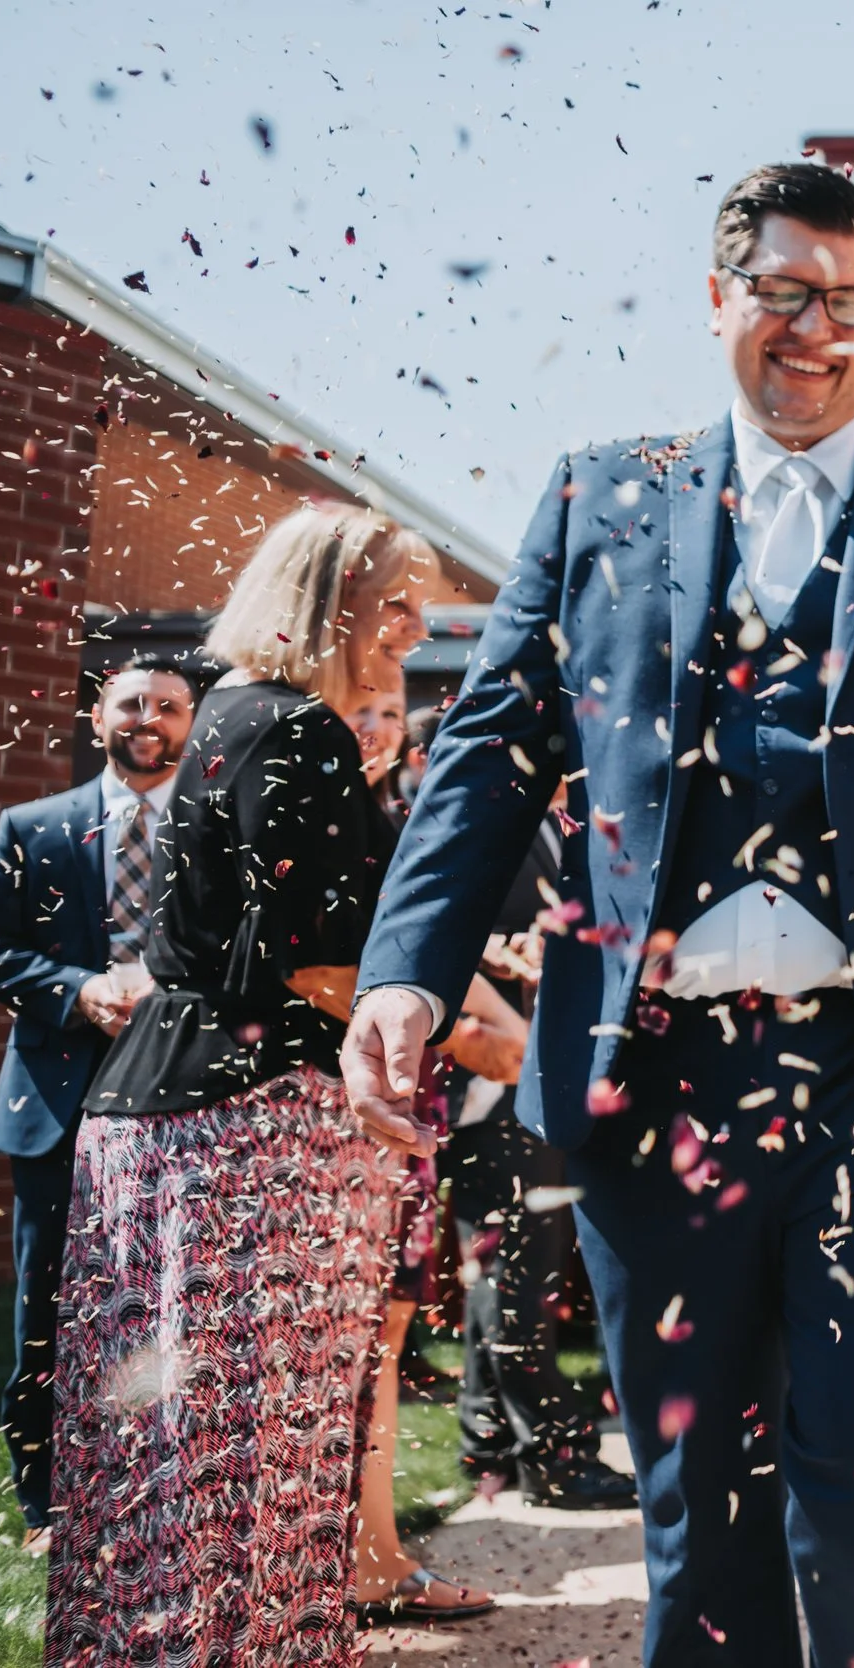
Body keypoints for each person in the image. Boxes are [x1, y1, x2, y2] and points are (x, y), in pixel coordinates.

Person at [342, 162, 854, 1668]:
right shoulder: (594, 497)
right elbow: (494, 752)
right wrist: (407, 974)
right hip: (663, 1084)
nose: (810, 329)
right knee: (699, 1500)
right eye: (779, 292)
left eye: (844, 301)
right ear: (721, 302)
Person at [47, 504, 458, 1662]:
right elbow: (326, 964)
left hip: (164, 1124)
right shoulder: (300, 731)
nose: (416, 629)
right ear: (328, 600)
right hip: (253, 1135)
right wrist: (461, 1027)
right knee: (249, 1452)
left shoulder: (227, 713)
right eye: (395, 603)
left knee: (155, 1458)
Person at [394, 710, 637, 1508]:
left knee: (508, 1266)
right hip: (484, 1073)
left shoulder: (528, 823)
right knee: (516, 1270)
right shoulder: (440, 828)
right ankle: (555, 1459)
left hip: (524, 1071)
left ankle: (485, 1439)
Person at [0, 651, 196, 1550]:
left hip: (179, 1095)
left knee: (168, 1302)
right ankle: (44, 1502)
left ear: (191, 724)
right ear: (98, 717)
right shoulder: (27, 828)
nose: (148, 718)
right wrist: (78, 990)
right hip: (57, 1090)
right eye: (131, 703)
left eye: (168, 706)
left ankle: (156, 1486)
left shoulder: (211, 829)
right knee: (49, 1298)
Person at [345, 672, 513, 1623]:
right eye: (357, 706)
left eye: (386, 710)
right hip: (329, 1103)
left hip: (411, 1113)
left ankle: (375, 1555)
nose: (373, 725)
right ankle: (345, 1555)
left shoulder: (408, 828)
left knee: (389, 1334)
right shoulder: (313, 819)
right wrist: (482, 1021)